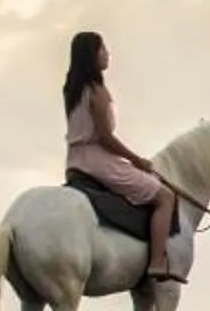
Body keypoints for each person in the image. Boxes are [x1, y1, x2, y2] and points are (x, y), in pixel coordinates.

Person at [61, 31, 182, 285]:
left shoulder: (71, 89)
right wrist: (136, 160)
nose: (107, 53)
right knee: (165, 196)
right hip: (97, 161)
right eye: (102, 49)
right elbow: (105, 138)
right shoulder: (98, 91)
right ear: (91, 55)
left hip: (74, 161)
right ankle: (157, 262)